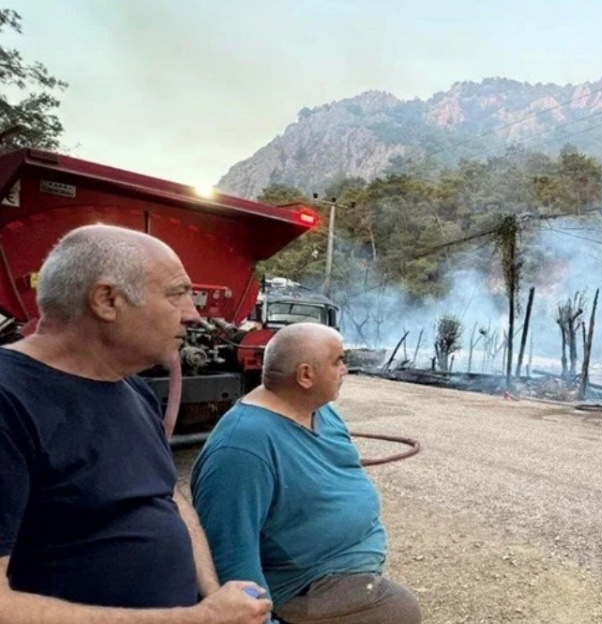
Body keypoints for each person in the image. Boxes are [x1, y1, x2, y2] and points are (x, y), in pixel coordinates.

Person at [0, 224, 274, 624]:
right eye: (177, 294)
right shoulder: (9, 401)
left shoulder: (132, 388)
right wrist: (198, 619)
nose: (193, 314)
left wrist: (213, 599)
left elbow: (168, 496)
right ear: (107, 300)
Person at [191, 323, 421, 624]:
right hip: (301, 586)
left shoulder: (318, 409)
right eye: (338, 361)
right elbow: (229, 557)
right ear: (305, 376)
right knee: (399, 611)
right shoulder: (243, 448)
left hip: (339, 568)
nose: (345, 370)